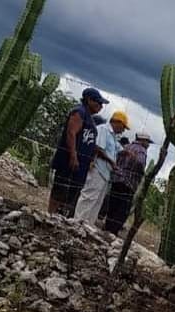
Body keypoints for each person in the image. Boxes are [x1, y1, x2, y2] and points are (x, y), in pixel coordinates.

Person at [48, 87, 108, 217]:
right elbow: (71, 133)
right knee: (60, 190)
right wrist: (73, 156)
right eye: (98, 102)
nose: (101, 106)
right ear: (89, 100)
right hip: (69, 161)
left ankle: (61, 218)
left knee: (71, 194)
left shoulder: (91, 119)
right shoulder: (79, 112)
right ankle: (50, 216)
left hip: (82, 164)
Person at [74, 111, 129, 225]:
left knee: (98, 201)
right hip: (97, 168)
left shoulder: (113, 136)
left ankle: (88, 225)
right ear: (117, 122)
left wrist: (126, 153)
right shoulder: (103, 130)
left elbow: (118, 150)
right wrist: (111, 162)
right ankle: (77, 222)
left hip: (105, 172)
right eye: (123, 127)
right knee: (89, 196)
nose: (123, 130)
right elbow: (98, 148)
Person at [103, 132, 151, 235]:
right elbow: (140, 163)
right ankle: (113, 231)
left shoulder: (126, 146)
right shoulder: (142, 151)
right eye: (148, 142)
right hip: (129, 183)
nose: (148, 145)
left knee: (113, 205)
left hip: (116, 179)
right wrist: (142, 172)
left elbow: (117, 157)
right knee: (123, 209)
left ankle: (107, 227)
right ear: (143, 141)